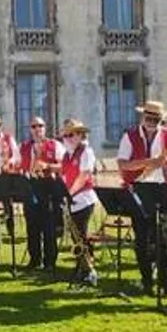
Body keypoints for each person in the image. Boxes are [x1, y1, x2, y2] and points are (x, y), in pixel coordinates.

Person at [116, 100, 167, 297]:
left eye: (156, 119)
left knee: (163, 242)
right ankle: (146, 282)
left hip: (161, 191)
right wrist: (151, 162)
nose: (152, 122)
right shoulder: (130, 135)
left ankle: (166, 284)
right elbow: (123, 165)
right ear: (143, 117)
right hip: (138, 191)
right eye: (149, 118)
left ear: (161, 120)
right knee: (141, 241)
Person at [20, 116, 65, 272]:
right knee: (32, 226)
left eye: (40, 126)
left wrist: (47, 166)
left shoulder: (55, 145)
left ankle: (50, 262)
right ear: (30, 129)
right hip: (31, 186)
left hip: (49, 186)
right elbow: (21, 166)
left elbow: (64, 165)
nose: (37, 129)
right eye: (33, 127)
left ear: (45, 128)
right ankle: (34, 259)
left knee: (49, 227)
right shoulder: (25, 146)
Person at [61, 120, 97, 284]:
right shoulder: (67, 154)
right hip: (71, 199)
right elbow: (64, 175)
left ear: (80, 135)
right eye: (66, 135)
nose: (67, 138)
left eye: (71, 134)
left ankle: (89, 269)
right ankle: (82, 266)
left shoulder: (86, 152)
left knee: (81, 235)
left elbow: (84, 175)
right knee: (76, 237)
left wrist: (69, 193)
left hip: (84, 198)